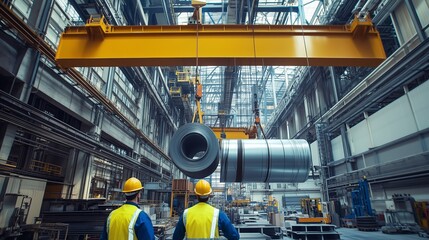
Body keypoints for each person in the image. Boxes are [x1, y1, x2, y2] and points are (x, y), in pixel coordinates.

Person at [172, 179, 240, 240]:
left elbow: (176, 238)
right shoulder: (218, 214)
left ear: (196, 194)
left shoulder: (186, 214)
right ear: (209, 195)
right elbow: (234, 236)